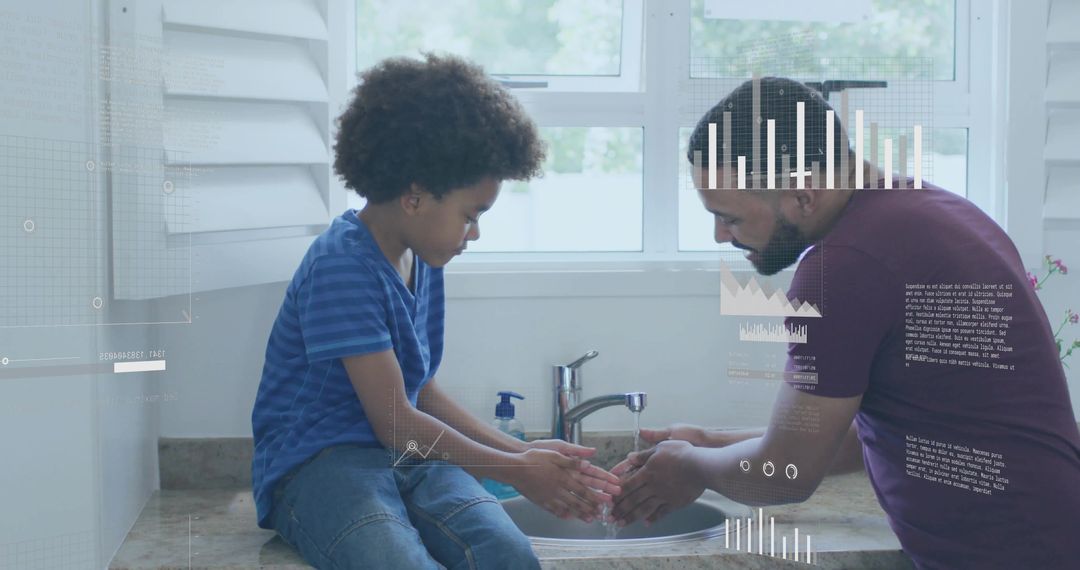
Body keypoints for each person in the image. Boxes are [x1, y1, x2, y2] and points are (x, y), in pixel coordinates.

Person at [610, 76, 1080, 569]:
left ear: (803, 195)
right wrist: (712, 444)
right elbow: (889, 429)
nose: (719, 235)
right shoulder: (938, 211)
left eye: (731, 217)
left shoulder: (843, 267)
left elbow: (786, 474)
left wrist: (690, 468)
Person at [251, 54, 620, 570]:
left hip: (409, 457)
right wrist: (517, 470)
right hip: (321, 465)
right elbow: (398, 423)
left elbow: (418, 391)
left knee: (507, 554)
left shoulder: (421, 257)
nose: (475, 234)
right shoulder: (341, 267)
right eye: (470, 216)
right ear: (415, 195)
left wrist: (523, 454)